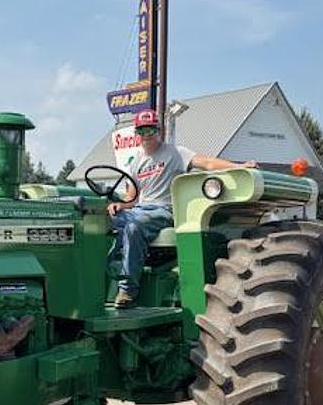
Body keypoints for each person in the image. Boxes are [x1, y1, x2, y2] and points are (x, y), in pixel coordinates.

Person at [108, 109, 256, 308]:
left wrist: (239, 166)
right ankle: (102, 279)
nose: (146, 135)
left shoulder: (175, 153)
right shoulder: (136, 162)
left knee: (134, 228)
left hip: (163, 210)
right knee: (99, 224)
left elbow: (207, 163)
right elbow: (131, 197)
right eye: (142, 131)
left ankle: (127, 290)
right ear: (137, 133)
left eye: (151, 130)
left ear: (158, 130)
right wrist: (120, 205)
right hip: (139, 209)